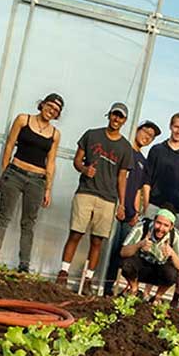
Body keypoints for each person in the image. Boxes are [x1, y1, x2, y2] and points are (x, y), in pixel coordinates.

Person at [59, 102, 133, 290]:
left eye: (120, 117)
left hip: (108, 199)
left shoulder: (125, 147)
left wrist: (122, 204)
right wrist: (84, 169)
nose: (116, 119)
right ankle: (63, 273)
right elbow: (77, 160)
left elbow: (122, 177)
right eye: (114, 115)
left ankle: (89, 279)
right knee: (76, 233)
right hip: (86, 192)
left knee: (97, 240)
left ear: (124, 121)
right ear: (109, 115)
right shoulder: (92, 135)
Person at [0, 93, 63, 272]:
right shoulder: (23, 119)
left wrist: (48, 188)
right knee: (3, 217)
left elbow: (51, 162)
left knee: (28, 223)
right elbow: (9, 144)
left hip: (37, 180)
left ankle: (24, 265)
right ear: (42, 104)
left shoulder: (55, 134)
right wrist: (5, 171)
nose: (51, 111)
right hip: (15, 173)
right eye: (49, 106)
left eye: (56, 110)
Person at [103, 118, 159, 294]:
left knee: (122, 253)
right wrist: (118, 204)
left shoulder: (143, 161)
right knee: (108, 249)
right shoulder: (124, 149)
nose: (147, 137)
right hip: (114, 207)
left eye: (151, 136)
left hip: (129, 214)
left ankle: (109, 287)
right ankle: (97, 283)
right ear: (137, 129)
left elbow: (137, 189)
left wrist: (136, 213)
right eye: (145, 132)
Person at [118, 208, 179, 300]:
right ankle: (134, 289)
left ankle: (158, 297)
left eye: (166, 225)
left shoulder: (176, 237)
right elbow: (123, 252)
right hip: (141, 267)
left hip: (159, 271)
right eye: (158, 223)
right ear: (154, 221)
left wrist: (172, 253)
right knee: (126, 263)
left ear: (171, 227)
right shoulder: (142, 227)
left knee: (172, 273)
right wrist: (139, 245)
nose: (161, 228)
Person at [144, 112, 179, 224]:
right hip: (154, 206)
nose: (178, 131)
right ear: (171, 126)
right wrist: (146, 205)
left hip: (175, 212)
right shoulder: (156, 150)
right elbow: (147, 180)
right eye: (176, 127)